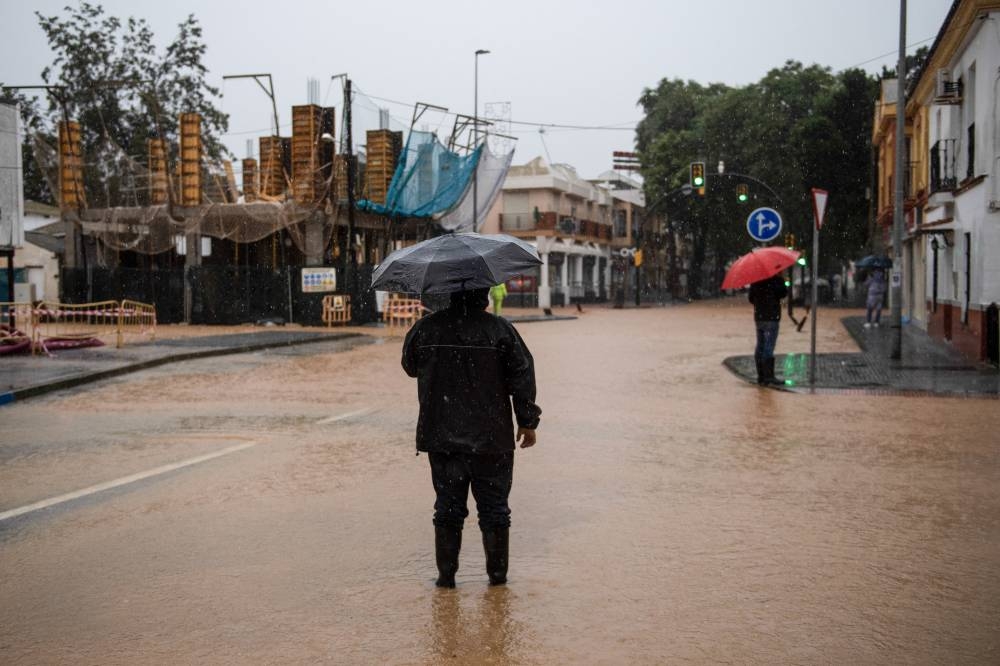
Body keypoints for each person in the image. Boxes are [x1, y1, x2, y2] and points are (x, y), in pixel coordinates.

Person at [402, 288, 541, 588]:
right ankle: (497, 581)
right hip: (492, 439)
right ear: (484, 294)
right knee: (494, 509)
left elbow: (410, 366)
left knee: (448, 508)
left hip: (442, 435)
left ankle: (446, 579)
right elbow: (522, 374)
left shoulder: (426, 328)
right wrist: (527, 422)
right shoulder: (500, 329)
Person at [748, 274, 788, 386]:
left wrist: (760, 301)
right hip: (771, 317)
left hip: (759, 317)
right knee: (768, 346)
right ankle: (769, 377)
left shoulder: (756, 279)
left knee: (760, 345)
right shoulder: (776, 278)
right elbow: (783, 293)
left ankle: (761, 375)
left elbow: (751, 298)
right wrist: (782, 280)